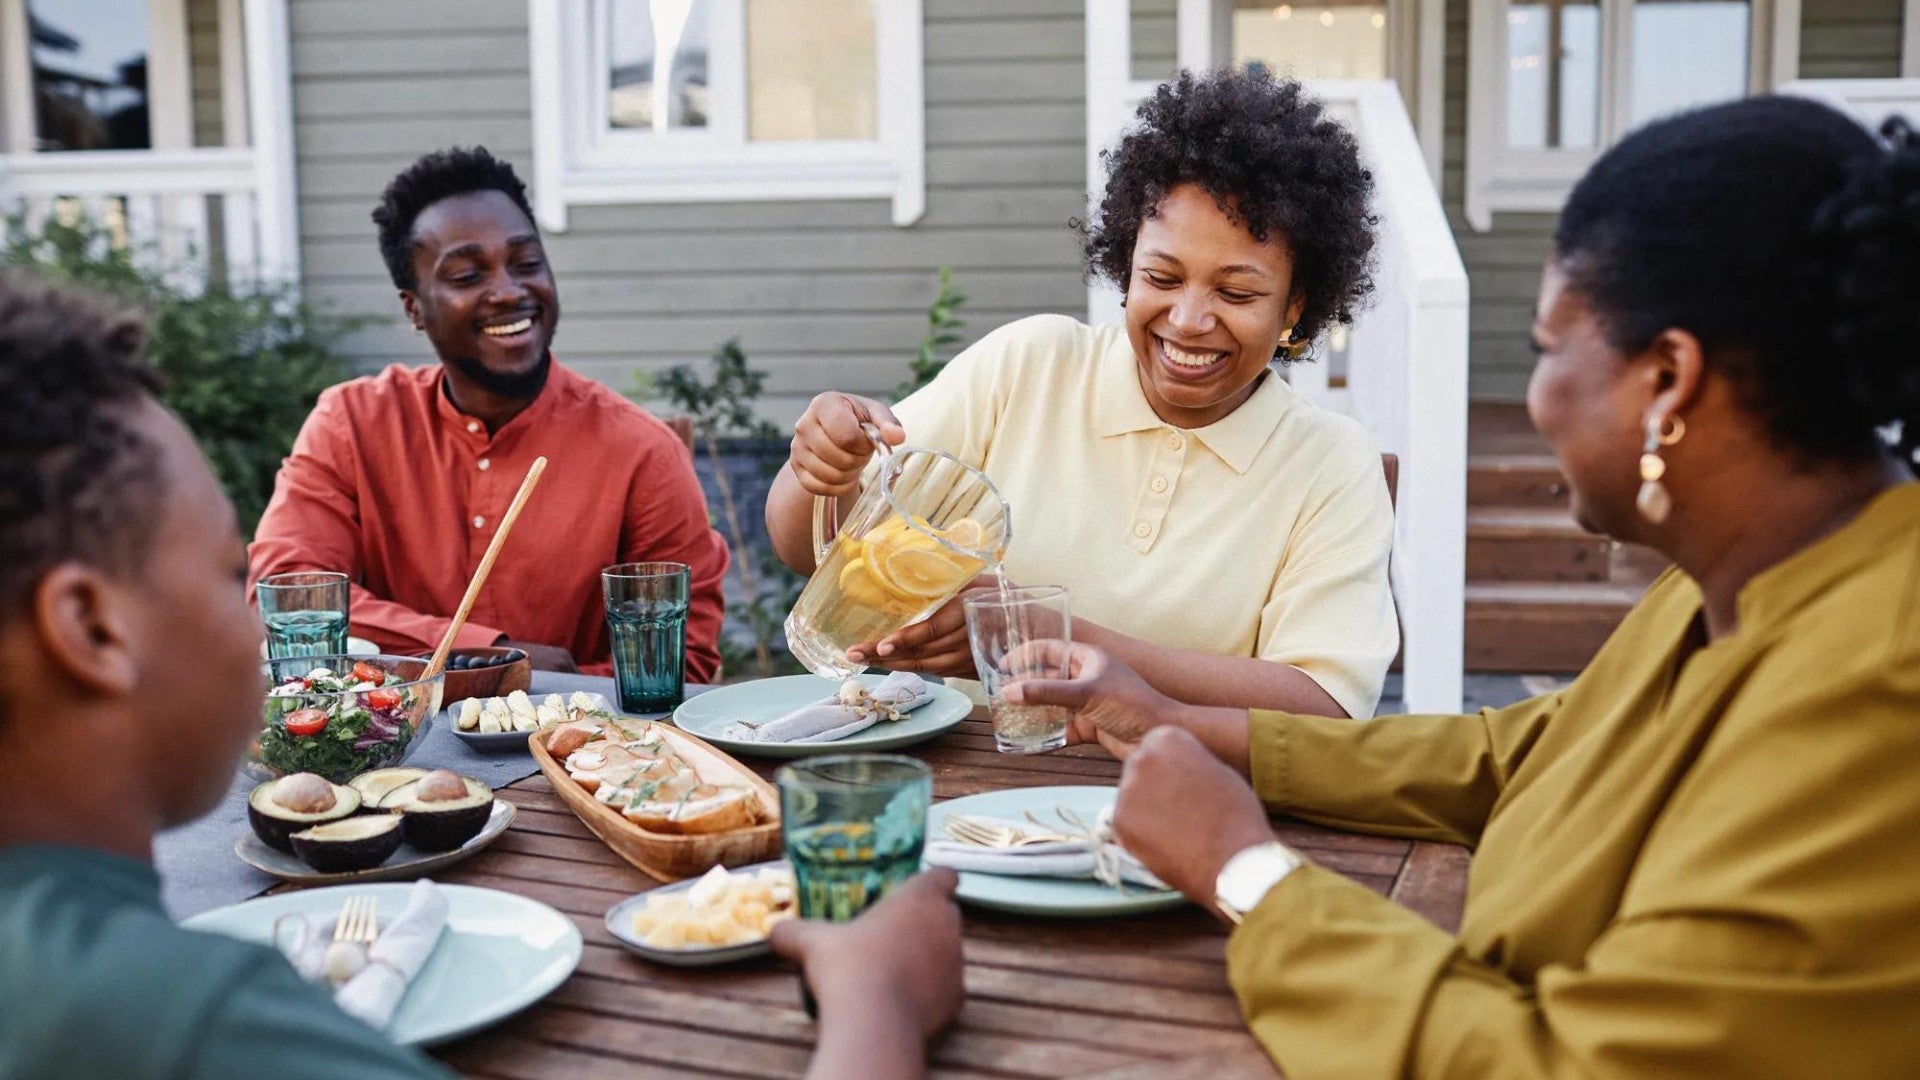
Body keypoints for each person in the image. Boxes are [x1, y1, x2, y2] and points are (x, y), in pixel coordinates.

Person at [1008, 97, 1920, 1078]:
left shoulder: (1879, 691)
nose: (1534, 399)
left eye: (1546, 347)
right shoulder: (1742, 585)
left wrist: (1246, 871)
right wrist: (1173, 720)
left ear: (1667, 381)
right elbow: (1513, 755)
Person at [0, 274, 964, 1080]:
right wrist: (875, 1002)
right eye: (222, 569)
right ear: (91, 629)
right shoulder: (174, 1017)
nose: (248, 599)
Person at [766, 70, 1398, 719]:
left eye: (1236, 293)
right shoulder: (1032, 366)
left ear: (1296, 304)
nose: (1186, 319)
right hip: (970, 782)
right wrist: (822, 471)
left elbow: (1324, 707)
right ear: (1126, 262)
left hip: (1177, 798)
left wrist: (1052, 634)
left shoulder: (1329, 461)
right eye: (1161, 276)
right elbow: (808, 552)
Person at [250, 147, 729, 679]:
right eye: (466, 275)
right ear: (414, 307)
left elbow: (682, 668)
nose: (508, 291)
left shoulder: (639, 449)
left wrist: (527, 682)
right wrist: (486, 649)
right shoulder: (352, 423)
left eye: (526, 264)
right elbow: (289, 598)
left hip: (575, 754)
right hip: (386, 751)